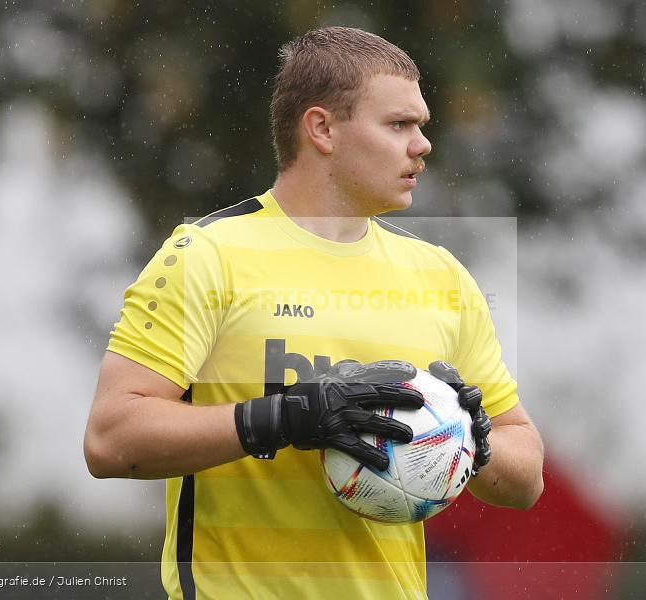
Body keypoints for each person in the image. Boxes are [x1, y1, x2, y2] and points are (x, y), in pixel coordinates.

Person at [84, 26, 544, 599]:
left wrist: (474, 440)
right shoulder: (206, 256)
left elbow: (525, 475)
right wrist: (290, 417)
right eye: (399, 125)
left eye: (421, 126)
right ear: (322, 128)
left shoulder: (441, 276)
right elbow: (110, 439)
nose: (423, 144)